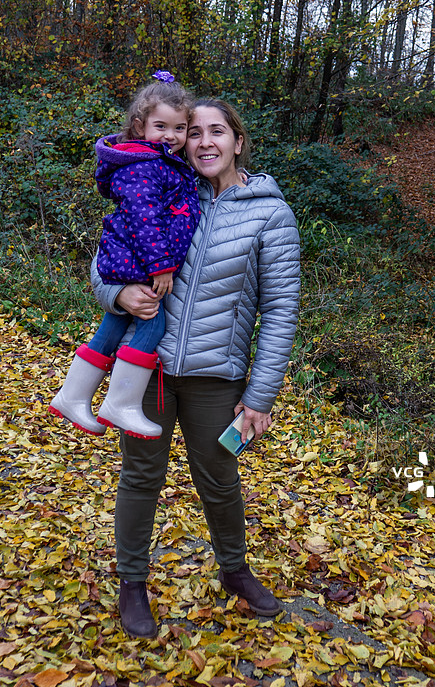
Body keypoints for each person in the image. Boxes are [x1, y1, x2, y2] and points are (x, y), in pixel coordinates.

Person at [91, 98, 300, 636]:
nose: (205, 142)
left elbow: (280, 310)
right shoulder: (163, 185)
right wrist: (118, 295)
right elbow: (106, 258)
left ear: (237, 140)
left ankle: (235, 571)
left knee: (220, 478)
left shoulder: (269, 211)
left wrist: (260, 396)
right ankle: (132, 583)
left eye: (218, 132)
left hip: (217, 376)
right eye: (195, 133)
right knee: (140, 477)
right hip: (147, 369)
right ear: (180, 139)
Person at [50, 72, 200, 439]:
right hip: (138, 262)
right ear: (139, 126)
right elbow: (145, 218)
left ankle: (73, 395)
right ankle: (121, 402)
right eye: (161, 126)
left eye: (180, 128)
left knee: (115, 324)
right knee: (153, 324)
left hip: (129, 258)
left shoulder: (159, 160)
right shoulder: (146, 164)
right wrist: (162, 266)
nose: (171, 135)